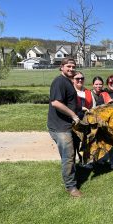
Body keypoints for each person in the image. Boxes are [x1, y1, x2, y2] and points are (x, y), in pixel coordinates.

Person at [47, 58, 83, 198]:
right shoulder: (59, 81)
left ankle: (72, 179)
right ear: (61, 67)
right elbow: (55, 102)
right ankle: (71, 187)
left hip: (66, 125)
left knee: (70, 155)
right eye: (68, 66)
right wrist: (73, 115)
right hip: (60, 127)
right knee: (68, 157)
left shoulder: (67, 81)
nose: (71, 69)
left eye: (73, 66)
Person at [72, 71, 92, 167]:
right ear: (73, 80)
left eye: (82, 78)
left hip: (86, 121)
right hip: (73, 121)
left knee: (84, 141)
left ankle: (84, 161)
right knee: (74, 142)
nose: (80, 80)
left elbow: (92, 106)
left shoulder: (88, 92)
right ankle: (75, 162)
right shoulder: (70, 92)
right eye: (77, 78)